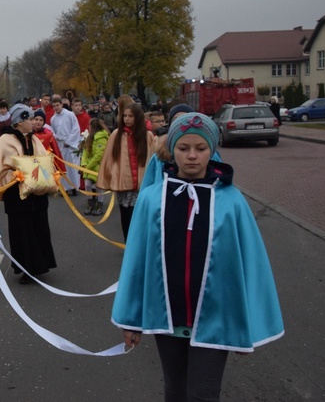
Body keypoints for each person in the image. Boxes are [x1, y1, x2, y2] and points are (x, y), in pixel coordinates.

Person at [112, 113, 284, 401]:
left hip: (217, 317)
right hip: (166, 316)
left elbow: (250, 266)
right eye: (183, 148)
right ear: (172, 149)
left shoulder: (231, 201)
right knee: (175, 389)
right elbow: (136, 264)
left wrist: (248, 327)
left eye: (201, 149)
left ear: (212, 150)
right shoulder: (152, 198)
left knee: (204, 393)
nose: (192, 156)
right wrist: (130, 319)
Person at [0, 104, 57, 284]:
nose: (33, 122)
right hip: (17, 195)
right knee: (23, 231)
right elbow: (0, 166)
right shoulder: (6, 140)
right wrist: (16, 175)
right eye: (30, 119)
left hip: (37, 194)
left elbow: (42, 160)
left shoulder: (33, 139)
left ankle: (42, 264)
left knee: (40, 228)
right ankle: (28, 268)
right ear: (19, 122)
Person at [95, 103, 155, 242]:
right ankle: (128, 243)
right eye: (125, 116)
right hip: (123, 182)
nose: (127, 119)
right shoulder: (117, 135)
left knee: (139, 215)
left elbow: (152, 160)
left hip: (141, 184)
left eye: (131, 116)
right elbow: (109, 158)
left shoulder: (147, 136)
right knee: (125, 214)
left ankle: (138, 244)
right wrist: (109, 178)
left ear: (137, 117)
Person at [50, 96, 81, 195]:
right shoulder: (53, 119)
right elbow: (53, 133)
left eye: (57, 105)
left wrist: (69, 141)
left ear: (61, 105)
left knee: (72, 167)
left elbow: (76, 129)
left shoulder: (70, 115)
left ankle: (75, 187)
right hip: (60, 145)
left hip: (70, 145)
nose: (56, 108)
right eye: (54, 106)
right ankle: (66, 188)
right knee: (63, 167)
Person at [80, 118, 109, 216]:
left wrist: (88, 166)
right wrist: (83, 164)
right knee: (87, 185)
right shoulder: (89, 137)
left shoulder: (101, 138)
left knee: (99, 186)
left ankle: (99, 205)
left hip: (98, 166)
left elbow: (99, 155)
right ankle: (91, 203)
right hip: (89, 166)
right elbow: (85, 152)